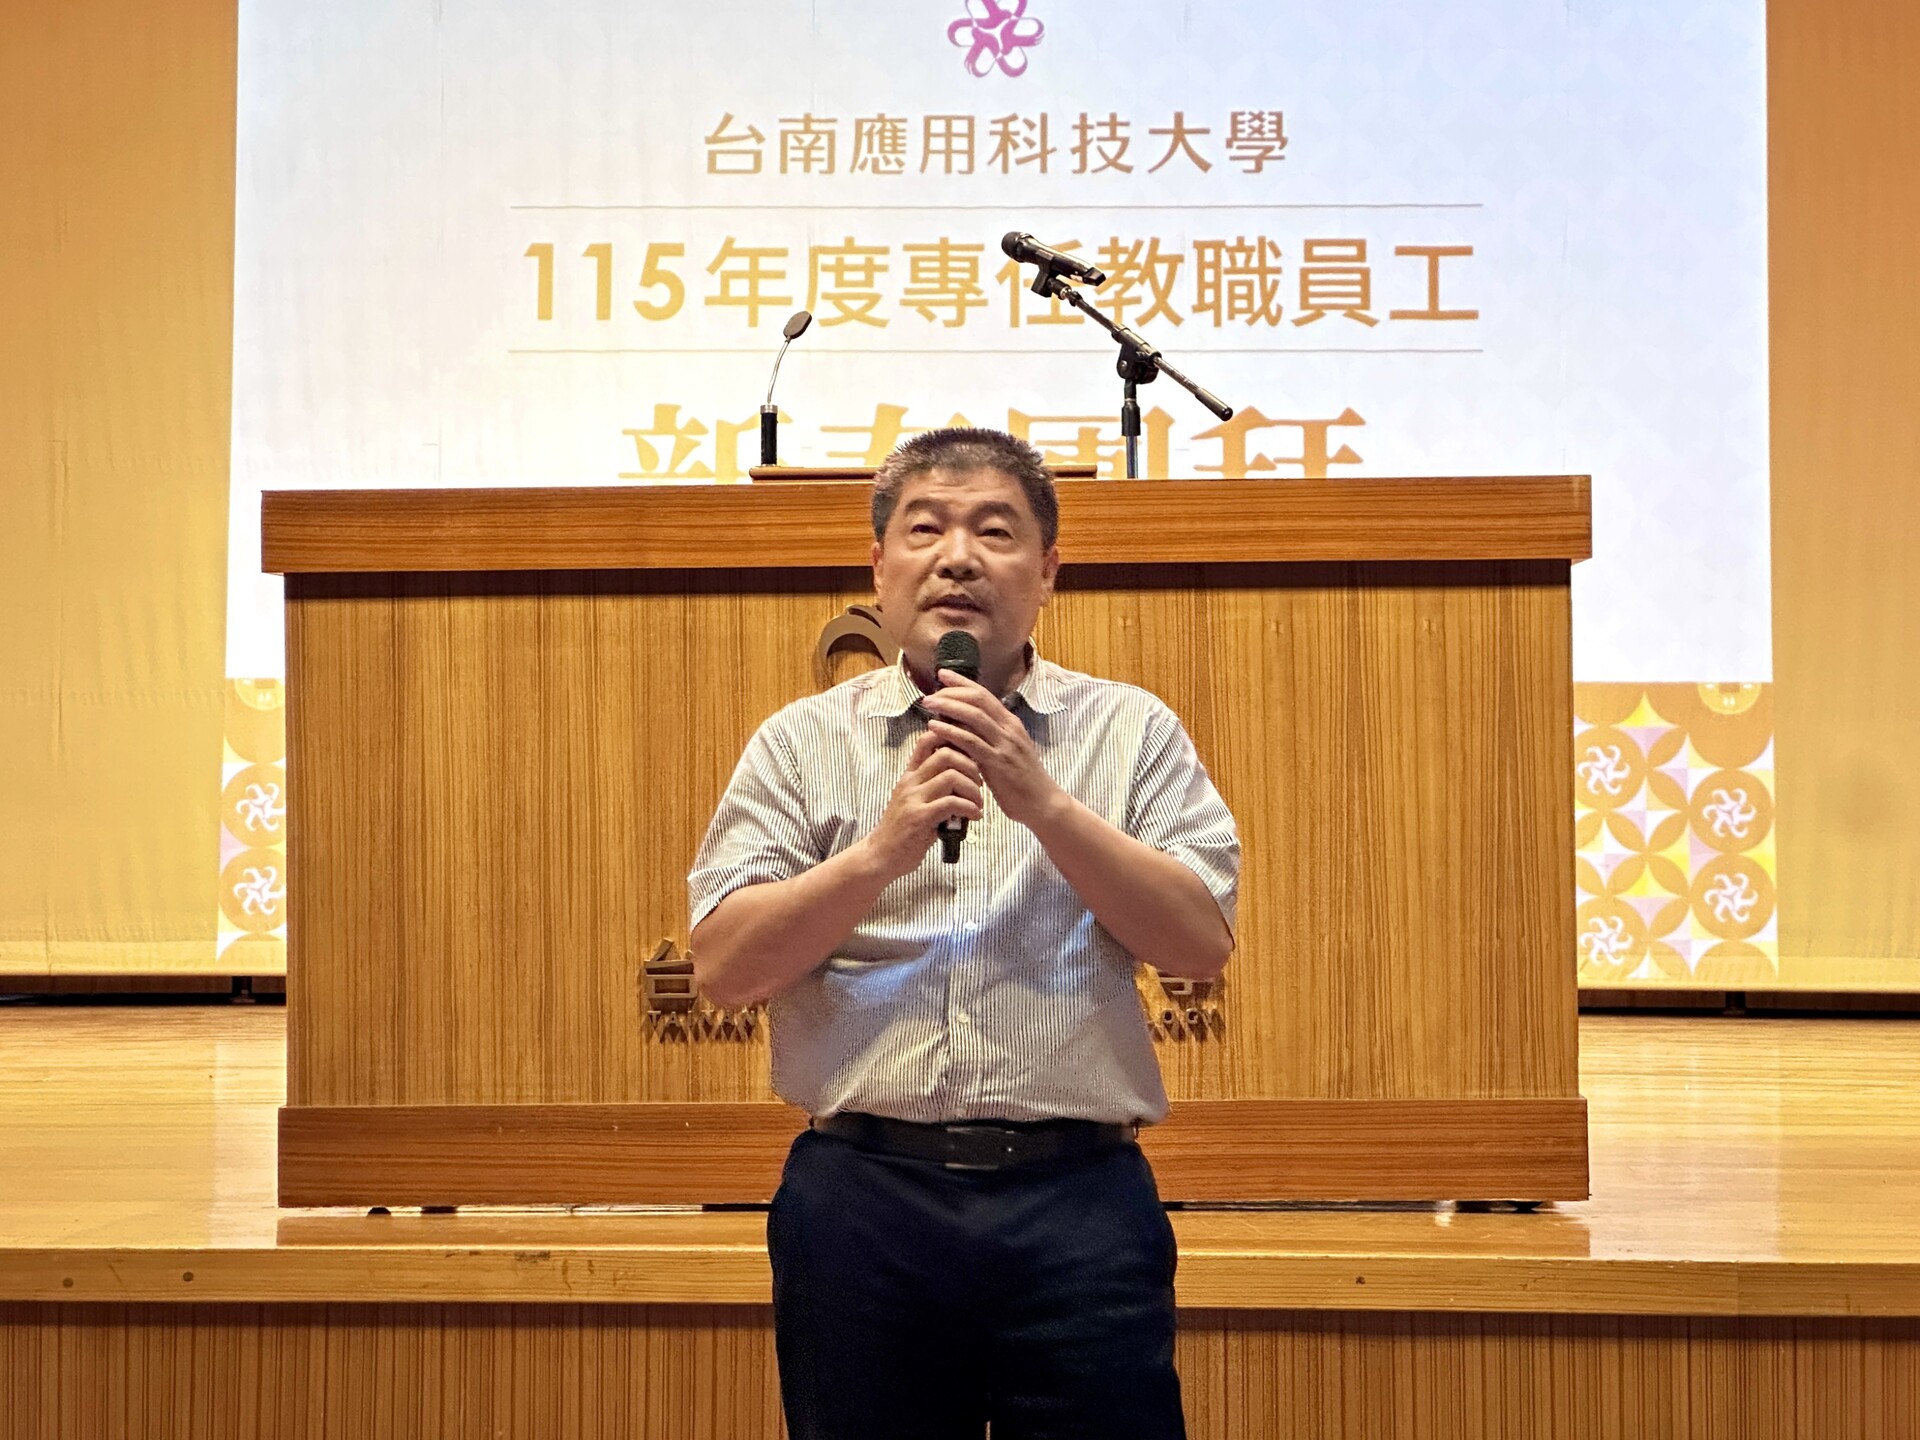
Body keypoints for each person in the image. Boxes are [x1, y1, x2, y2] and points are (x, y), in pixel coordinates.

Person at [687, 427, 1240, 1440]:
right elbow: (723, 967)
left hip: (1078, 1202)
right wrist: (879, 855)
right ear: (879, 567)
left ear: (1048, 569)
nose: (957, 558)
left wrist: (1046, 805)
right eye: (925, 530)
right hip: (862, 1202)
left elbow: (1199, 945)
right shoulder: (801, 743)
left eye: (994, 530)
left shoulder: (1131, 730)